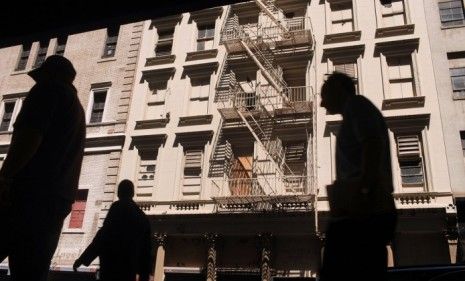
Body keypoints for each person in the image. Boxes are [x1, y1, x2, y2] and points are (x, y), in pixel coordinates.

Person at [0, 55, 86, 281]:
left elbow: (29, 138)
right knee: (31, 271)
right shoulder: (77, 107)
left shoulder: (47, 91)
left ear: (48, 75)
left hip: (28, 196)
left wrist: (5, 177)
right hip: (55, 202)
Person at [319, 73, 397, 281]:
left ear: (339, 89)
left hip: (361, 212)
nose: (321, 103)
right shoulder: (355, 111)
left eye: (324, 95)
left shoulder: (357, 106)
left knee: (338, 268)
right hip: (361, 211)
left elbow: (373, 144)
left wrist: (363, 192)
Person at [73, 180, 152, 281]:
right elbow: (146, 251)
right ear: (132, 193)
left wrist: (82, 259)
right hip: (128, 270)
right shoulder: (142, 217)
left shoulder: (116, 208)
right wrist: (144, 275)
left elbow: (102, 237)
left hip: (110, 267)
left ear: (119, 193)